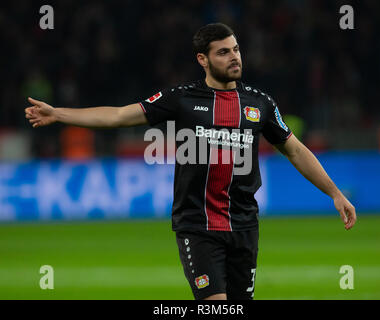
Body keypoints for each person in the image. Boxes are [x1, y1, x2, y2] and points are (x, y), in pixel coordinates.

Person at [25, 23, 357, 300]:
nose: (234, 57)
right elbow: (117, 115)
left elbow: (295, 150)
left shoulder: (260, 104)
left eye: (236, 49)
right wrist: (58, 113)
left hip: (244, 226)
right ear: (203, 58)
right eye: (223, 52)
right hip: (198, 226)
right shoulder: (180, 99)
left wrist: (335, 193)